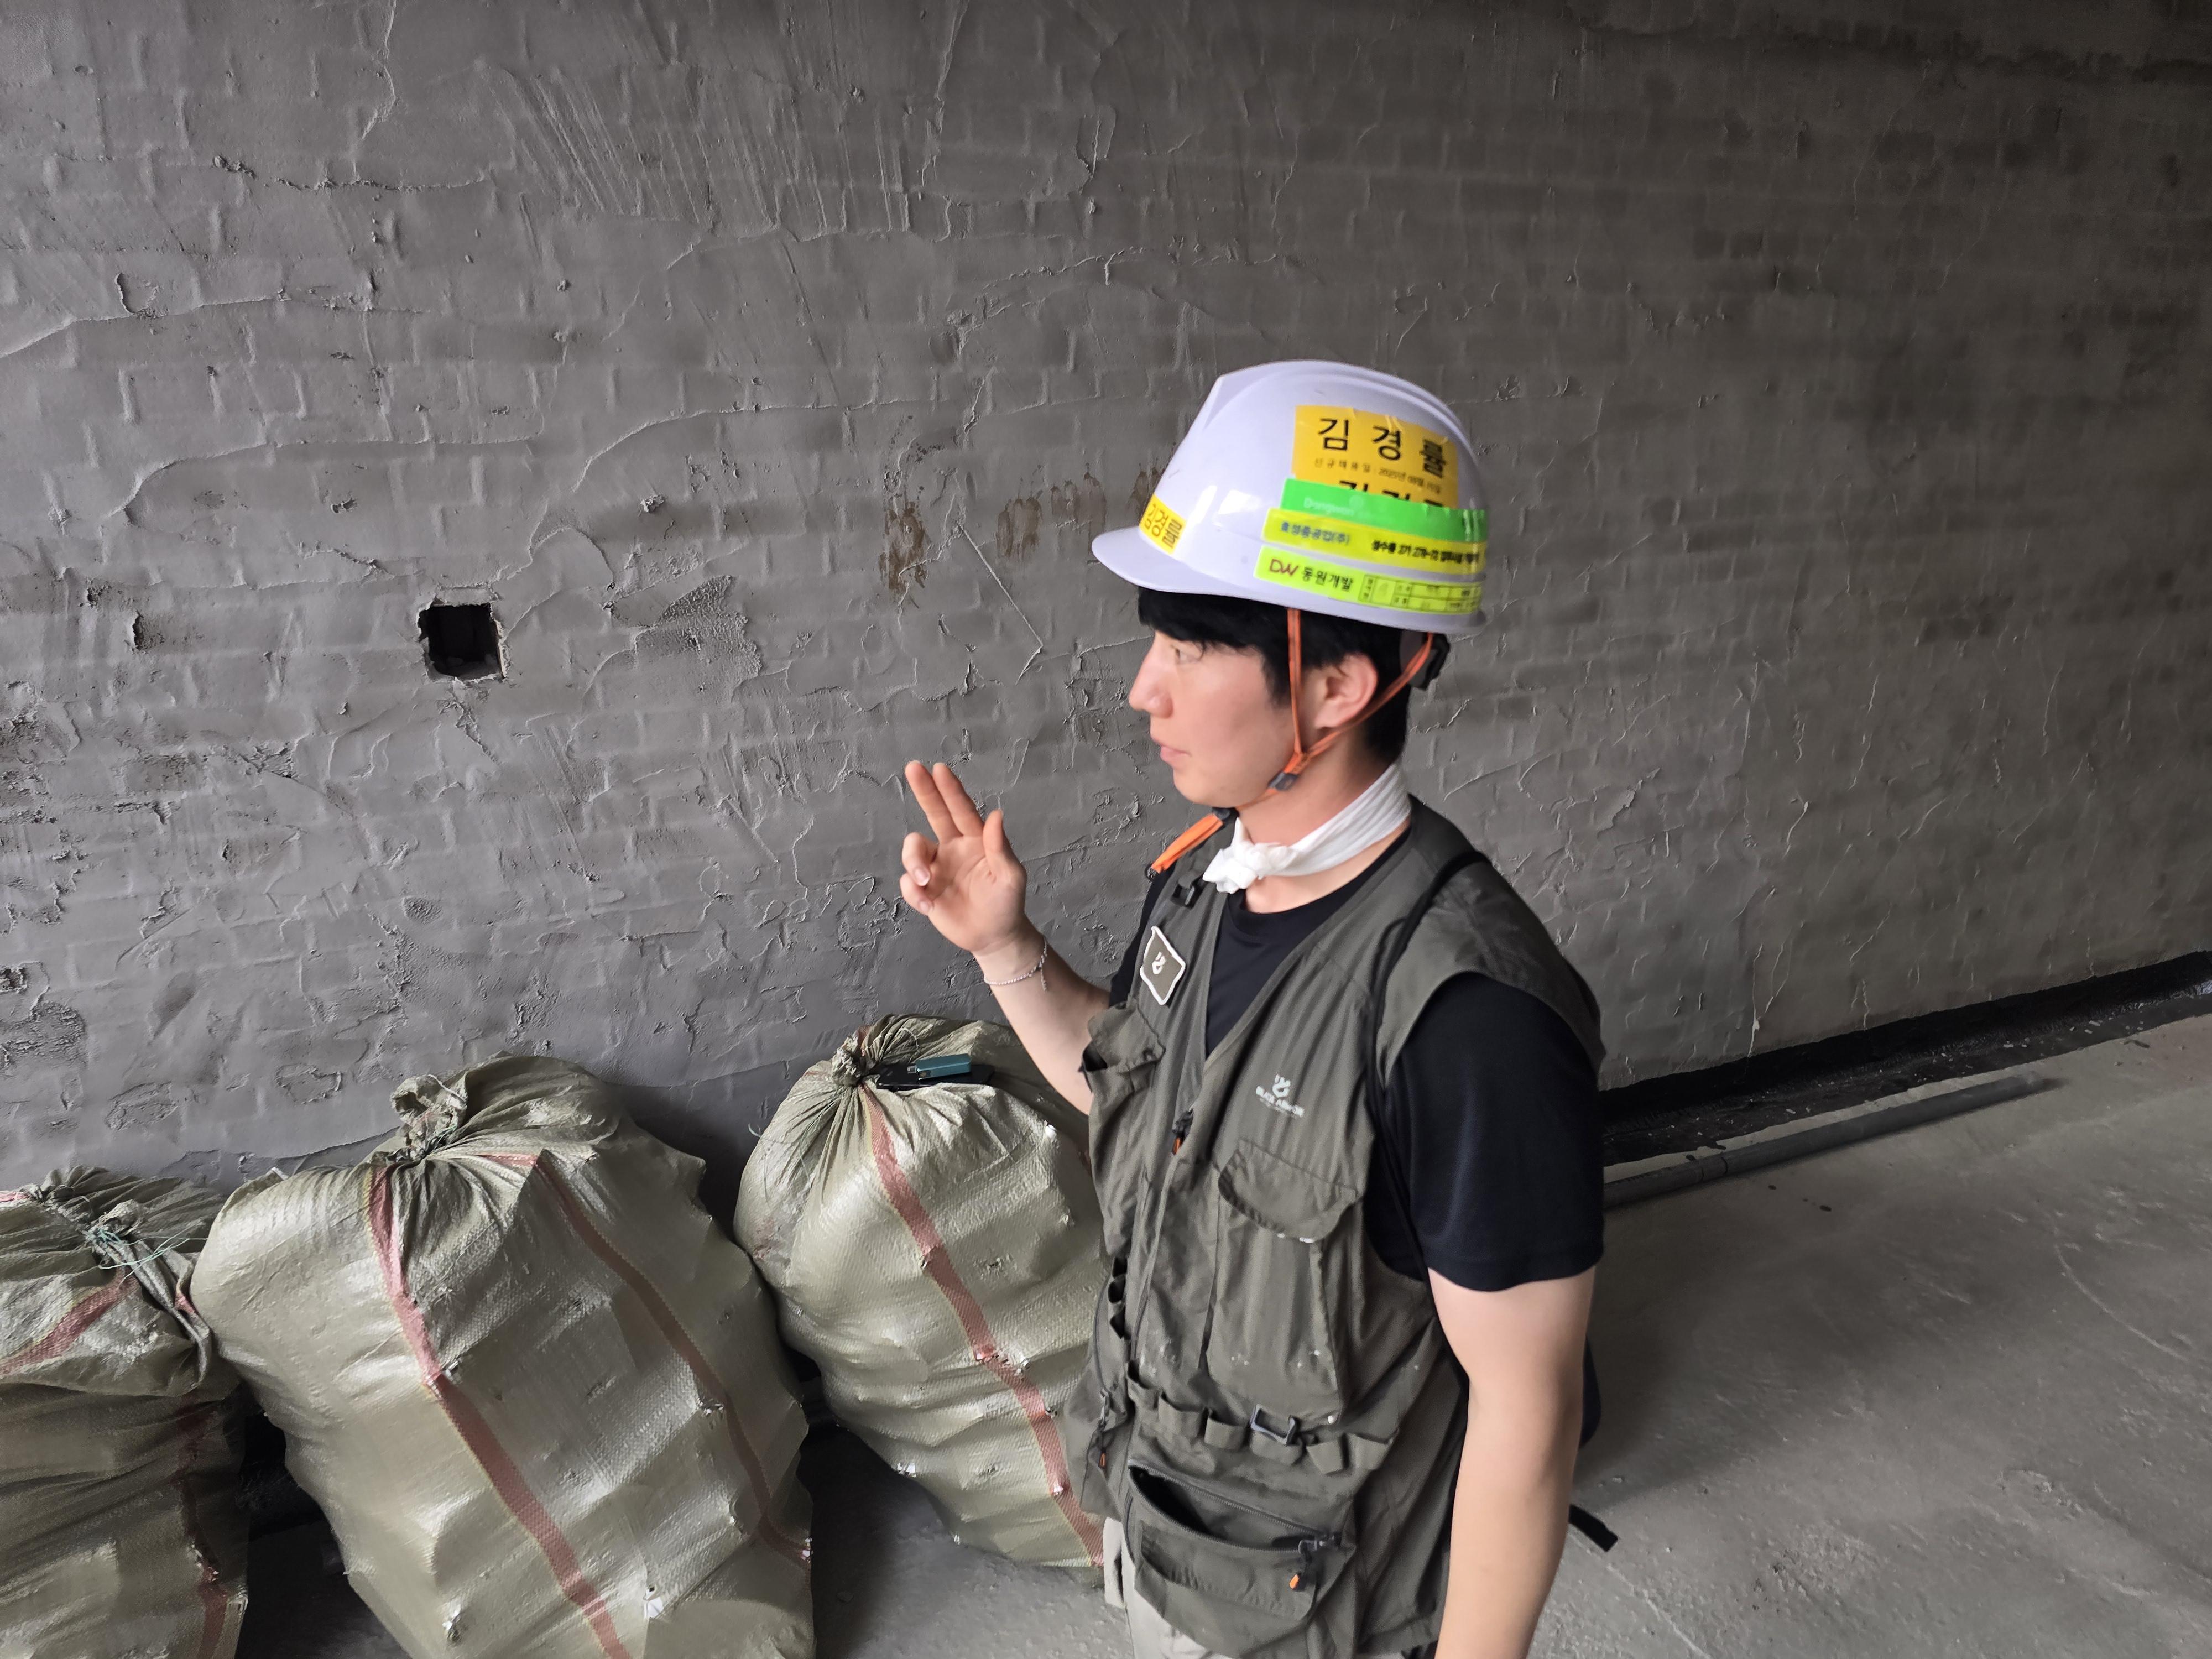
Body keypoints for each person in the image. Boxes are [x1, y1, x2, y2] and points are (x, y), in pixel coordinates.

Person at [896, 362, 1604, 1659]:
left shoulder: (1467, 1018)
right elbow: (1132, 1092)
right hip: (1161, 1533)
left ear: (1333, 687)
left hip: (1325, 1613)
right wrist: (1004, 950)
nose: (1142, 688)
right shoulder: (1208, 883)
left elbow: (1528, 1406)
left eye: (1188, 647)